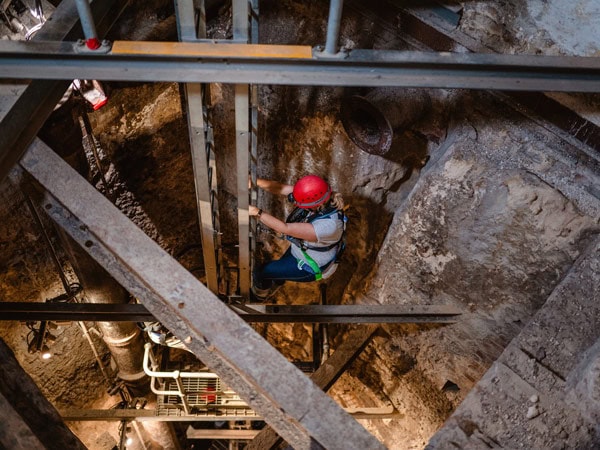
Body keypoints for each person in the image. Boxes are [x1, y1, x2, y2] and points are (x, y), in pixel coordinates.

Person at [249, 174, 346, 300]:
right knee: (277, 271)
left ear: (315, 205)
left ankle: (258, 297)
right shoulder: (320, 195)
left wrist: (257, 212)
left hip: (308, 266)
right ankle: (277, 281)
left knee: (261, 272)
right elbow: (280, 188)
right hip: (302, 250)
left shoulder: (328, 226)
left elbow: (285, 228)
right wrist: (255, 181)